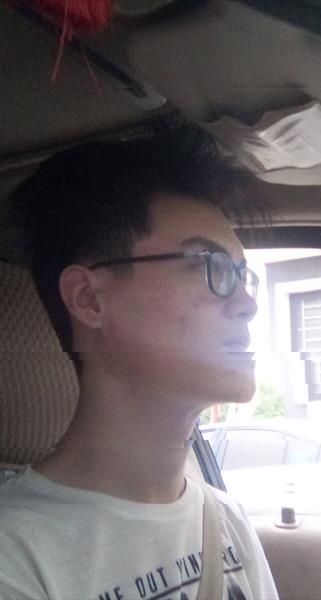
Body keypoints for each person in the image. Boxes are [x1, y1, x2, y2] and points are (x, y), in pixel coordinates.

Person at [0, 120, 279, 600]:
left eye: (242, 276)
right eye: (210, 267)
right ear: (88, 299)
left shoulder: (225, 519)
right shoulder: (17, 555)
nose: (247, 304)